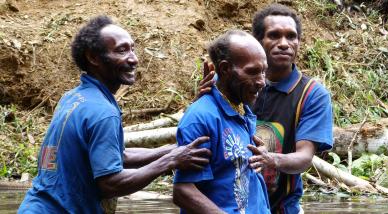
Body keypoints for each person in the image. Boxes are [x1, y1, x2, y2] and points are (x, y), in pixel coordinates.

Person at [17, 15, 211, 214]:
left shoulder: (73, 97)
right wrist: (169, 162)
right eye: (121, 50)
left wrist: (176, 150)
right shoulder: (103, 112)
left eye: (132, 48)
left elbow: (119, 156)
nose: (134, 59)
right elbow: (110, 184)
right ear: (93, 58)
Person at [198, 4, 334, 213]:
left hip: (280, 207)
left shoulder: (312, 94)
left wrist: (270, 159)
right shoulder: (227, 82)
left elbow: (304, 157)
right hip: (225, 206)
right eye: (274, 36)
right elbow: (203, 134)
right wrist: (202, 102)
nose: (284, 44)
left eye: (291, 36)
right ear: (258, 42)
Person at [172, 30, 271, 214]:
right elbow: (183, 191)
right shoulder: (200, 118)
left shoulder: (240, 108)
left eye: (264, 71)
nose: (261, 82)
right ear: (225, 69)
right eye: (252, 72)